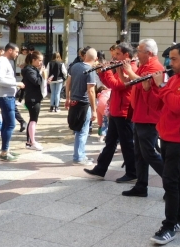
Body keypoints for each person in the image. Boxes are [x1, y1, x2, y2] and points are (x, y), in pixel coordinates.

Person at [144, 43, 180, 245]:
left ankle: (170, 225)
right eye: (169, 58)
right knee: (176, 177)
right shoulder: (175, 78)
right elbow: (159, 105)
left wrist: (162, 86)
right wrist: (149, 88)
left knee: (169, 180)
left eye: (174, 58)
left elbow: (177, 106)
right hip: (167, 133)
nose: (170, 62)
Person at [85, 42, 137, 182]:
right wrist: (102, 73)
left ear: (126, 55)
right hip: (115, 109)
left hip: (124, 110)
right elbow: (110, 85)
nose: (114, 57)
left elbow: (117, 85)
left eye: (118, 54)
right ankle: (100, 169)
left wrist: (106, 71)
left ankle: (132, 172)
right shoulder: (121, 66)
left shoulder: (131, 68)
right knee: (110, 142)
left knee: (126, 144)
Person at [120, 39, 165, 197]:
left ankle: (172, 183)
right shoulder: (143, 65)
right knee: (139, 154)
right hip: (139, 114)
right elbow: (130, 82)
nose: (137, 54)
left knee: (149, 153)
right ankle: (141, 186)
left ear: (150, 53)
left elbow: (140, 83)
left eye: (139, 51)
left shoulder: (155, 67)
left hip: (148, 116)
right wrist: (121, 70)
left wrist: (130, 71)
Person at [65, 48, 98, 165]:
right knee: (82, 131)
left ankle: (80, 155)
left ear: (85, 56)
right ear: (96, 59)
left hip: (74, 101)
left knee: (78, 130)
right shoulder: (90, 70)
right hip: (83, 103)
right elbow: (91, 91)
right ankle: (79, 157)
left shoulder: (75, 66)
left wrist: (68, 98)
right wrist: (94, 110)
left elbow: (68, 82)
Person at [0, 43, 25, 162]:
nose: (17, 54)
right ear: (10, 50)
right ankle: (4, 152)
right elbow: (0, 80)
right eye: (16, 52)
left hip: (7, 96)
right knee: (11, 124)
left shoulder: (4, 61)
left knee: (7, 124)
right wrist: (17, 84)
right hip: (5, 97)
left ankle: (5, 149)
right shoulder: (2, 62)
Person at [21, 50, 47, 150]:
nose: (41, 63)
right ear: (33, 60)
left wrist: (45, 79)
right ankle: (32, 142)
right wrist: (41, 74)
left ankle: (29, 141)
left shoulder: (32, 69)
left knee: (32, 120)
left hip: (34, 97)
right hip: (32, 99)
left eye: (42, 61)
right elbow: (36, 81)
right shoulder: (29, 70)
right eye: (39, 60)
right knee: (33, 120)